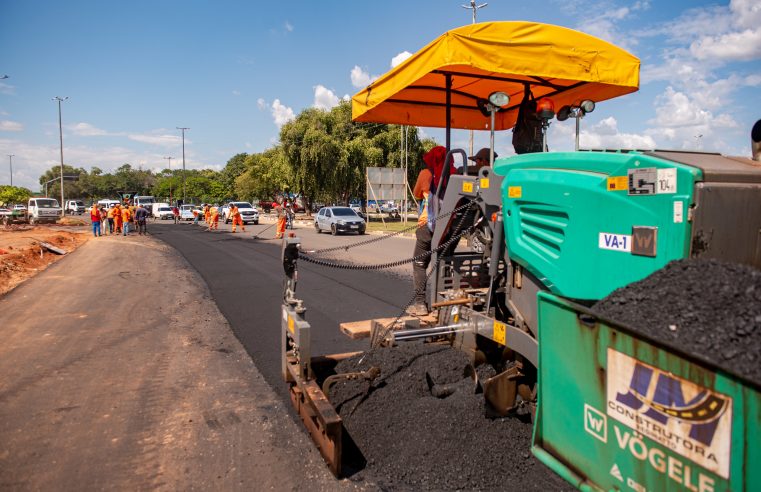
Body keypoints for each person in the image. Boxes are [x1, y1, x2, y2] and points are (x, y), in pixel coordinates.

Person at [408, 146, 454, 316]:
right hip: (448, 227)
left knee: (419, 263)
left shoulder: (425, 174)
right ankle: (444, 304)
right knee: (443, 263)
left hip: (427, 227)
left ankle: (420, 304)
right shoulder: (455, 174)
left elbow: (417, 194)